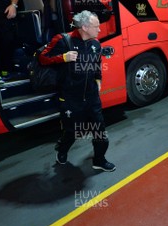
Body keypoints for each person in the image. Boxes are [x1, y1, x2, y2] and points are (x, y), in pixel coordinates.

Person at [39, 10, 115, 172]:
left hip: (92, 97)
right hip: (70, 98)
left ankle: (99, 160)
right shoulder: (63, 40)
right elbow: (42, 58)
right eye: (96, 26)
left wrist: (98, 80)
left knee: (100, 131)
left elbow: (97, 65)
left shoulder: (95, 44)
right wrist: (63, 57)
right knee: (73, 131)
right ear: (85, 27)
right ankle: (62, 149)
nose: (99, 29)